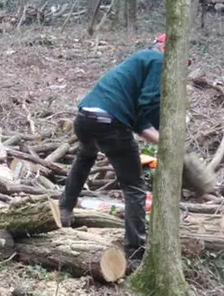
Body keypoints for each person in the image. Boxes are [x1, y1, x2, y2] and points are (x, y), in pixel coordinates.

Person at [59, 34, 166, 264]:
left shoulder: (135, 67)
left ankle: (64, 211)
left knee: (84, 158)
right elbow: (149, 103)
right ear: (164, 46)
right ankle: (135, 255)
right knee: (134, 187)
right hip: (110, 123)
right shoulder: (158, 61)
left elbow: (138, 119)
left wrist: (166, 142)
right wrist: (163, 126)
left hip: (85, 117)